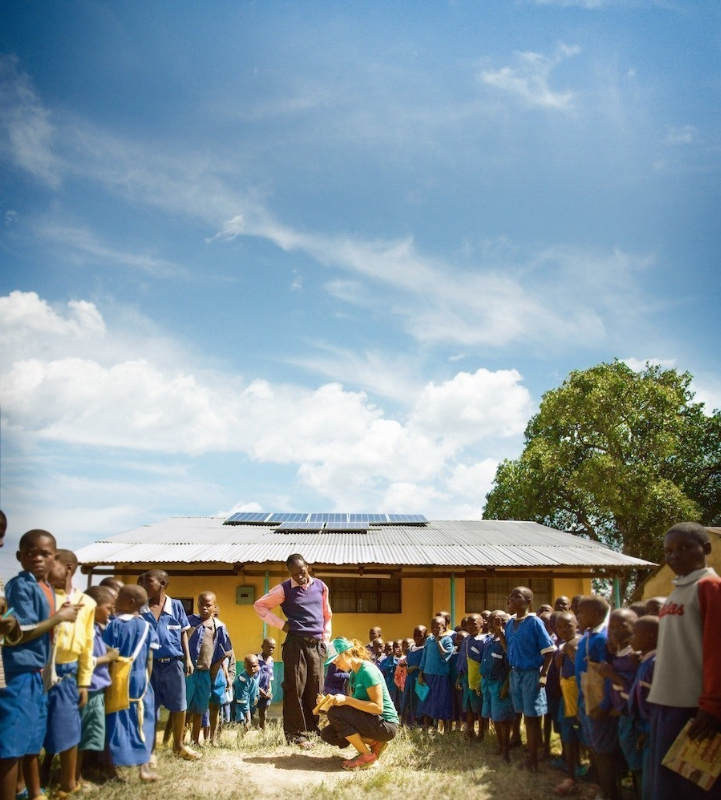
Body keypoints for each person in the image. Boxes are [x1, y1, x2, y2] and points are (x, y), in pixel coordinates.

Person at [0, 530, 79, 800]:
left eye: (45, 553)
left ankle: (32, 792)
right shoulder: (21, 585)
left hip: (39, 674)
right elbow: (18, 633)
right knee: (11, 744)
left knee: (32, 738)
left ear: (54, 558)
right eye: (30, 552)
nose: (37, 557)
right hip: (19, 672)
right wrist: (59, 617)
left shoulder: (45, 588)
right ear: (19, 556)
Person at [646, 522, 721, 800]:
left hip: (694, 708)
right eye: (669, 551)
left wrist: (712, 705)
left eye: (685, 547)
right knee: (665, 786)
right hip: (666, 702)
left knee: (690, 788)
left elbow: (716, 648)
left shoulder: (710, 586)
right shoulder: (676, 592)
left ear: (707, 549)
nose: (675, 555)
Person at [253, 553, 331, 748]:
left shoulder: (321, 587)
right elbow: (260, 606)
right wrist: (282, 625)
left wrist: (325, 640)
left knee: (315, 688)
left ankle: (313, 730)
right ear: (290, 573)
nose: (299, 576)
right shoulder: (284, 589)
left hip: (317, 645)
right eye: (295, 574)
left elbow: (327, 614)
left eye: (302, 571)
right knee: (295, 688)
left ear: (308, 566)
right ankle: (295, 734)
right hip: (295, 644)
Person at [41, 550, 97, 797]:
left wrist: (84, 682)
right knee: (36, 726)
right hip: (39, 671)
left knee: (68, 727)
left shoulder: (87, 603)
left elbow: (87, 645)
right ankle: (33, 778)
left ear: (68, 568)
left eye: (50, 565)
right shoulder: (41, 596)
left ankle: (68, 782)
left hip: (67, 674)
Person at [140, 569, 199, 760]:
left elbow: (183, 632)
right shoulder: (142, 607)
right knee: (149, 706)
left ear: (162, 584)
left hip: (174, 664)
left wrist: (187, 658)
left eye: (148, 582)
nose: (144, 585)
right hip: (149, 665)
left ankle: (178, 745)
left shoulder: (176, 606)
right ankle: (149, 750)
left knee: (179, 705)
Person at [103, 585, 160, 782]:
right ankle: (144, 768)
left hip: (117, 678)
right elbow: (150, 659)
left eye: (119, 597)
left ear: (130, 602)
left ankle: (112, 770)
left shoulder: (114, 625)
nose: (115, 600)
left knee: (116, 720)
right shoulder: (146, 626)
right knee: (143, 721)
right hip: (141, 680)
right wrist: (146, 680)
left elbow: (108, 653)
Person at [319, 637, 399, 770]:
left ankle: (368, 756)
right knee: (328, 734)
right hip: (372, 721)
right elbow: (354, 707)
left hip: (386, 725)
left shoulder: (367, 671)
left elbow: (378, 708)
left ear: (346, 654)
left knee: (336, 714)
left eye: (336, 660)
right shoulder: (353, 675)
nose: (336, 666)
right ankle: (375, 742)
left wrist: (346, 700)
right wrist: (328, 702)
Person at [499, 585, 555, 772]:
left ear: (528, 601)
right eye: (511, 596)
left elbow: (548, 652)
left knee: (532, 718)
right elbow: (510, 651)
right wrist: (500, 637)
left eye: (517, 596)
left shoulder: (535, 623)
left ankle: (534, 761)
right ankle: (529, 755)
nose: (512, 599)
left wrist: (544, 674)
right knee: (521, 715)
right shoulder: (509, 624)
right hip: (515, 675)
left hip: (531, 674)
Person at [575, 594, 621, 800]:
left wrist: (604, 704)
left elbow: (609, 673)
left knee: (603, 750)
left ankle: (611, 793)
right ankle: (600, 785)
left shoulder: (603, 639)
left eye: (581, 612)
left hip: (599, 702)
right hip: (585, 699)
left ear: (595, 615)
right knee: (594, 746)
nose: (577, 615)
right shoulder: (586, 636)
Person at [76, 585, 118, 788]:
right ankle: (75, 777)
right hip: (90, 689)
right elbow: (86, 661)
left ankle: (79, 772)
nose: (111, 613)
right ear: (93, 608)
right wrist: (108, 657)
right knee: (85, 734)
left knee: (89, 734)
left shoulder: (96, 629)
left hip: (96, 689)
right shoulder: (87, 630)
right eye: (108, 608)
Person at [598, 609, 642, 797]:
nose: (614, 631)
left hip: (633, 718)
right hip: (622, 715)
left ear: (635, 629)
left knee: (638, 764)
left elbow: (634, 688)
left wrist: (611, 674)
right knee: (630, 760)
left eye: (621, 627)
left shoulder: (634, 657)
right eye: (612, 627)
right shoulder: (619, 653)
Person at [185, 591, 233, 746]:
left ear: (214, 606)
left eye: (208, 605)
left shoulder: (218, 626)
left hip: (206, 672)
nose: (204, 608)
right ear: (197, 604)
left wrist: (216, 668)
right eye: (201, 604)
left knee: (200, 708)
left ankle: (195, 741)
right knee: (185, 707)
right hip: (189, 671)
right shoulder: (189, 622)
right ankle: (179, 740)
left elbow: (224, 651)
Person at [626, 616, 658, 800]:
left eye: (635, 634)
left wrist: (647, 729)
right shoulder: (645, 661)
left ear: (649, 638)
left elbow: (653, 703)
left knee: (649, 775)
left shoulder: (654, 664)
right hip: (643, 728)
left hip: (649, 730)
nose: (631, 638)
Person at [480, 611, 515, 762]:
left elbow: (510, 664)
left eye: (496, 621)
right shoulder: (488, 639)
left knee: (503, 720)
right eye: (489, 621)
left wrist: (506, 685)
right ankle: (500, 746)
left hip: (500, 683)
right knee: (495, 717)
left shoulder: (506, 639)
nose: (491, 624)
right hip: (488, 683)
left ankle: (506, 752)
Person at [417, 615, 454, 731]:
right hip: (428, 675)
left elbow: (446, 655)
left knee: (442, 701)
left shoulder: (447, 640)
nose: (435, 630)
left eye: (438, 627)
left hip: (440, 676)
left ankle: (447, 730)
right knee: (427, 702)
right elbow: (424, 657)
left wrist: (439, 643)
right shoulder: (429, 640)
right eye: (433, 627)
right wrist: (420, 673)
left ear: (444, 628)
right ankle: (426, 727)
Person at [401, 625, 426, 726]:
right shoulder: (411, 648)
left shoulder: (425, 649)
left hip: (419, 678)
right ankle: (407, 722)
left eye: (420, 635)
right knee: (407, 699)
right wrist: (406, 665)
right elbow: (410, 661)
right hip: (410, 678)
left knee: (417, 700)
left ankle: (418, 722)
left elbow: (424, 663)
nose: (417, 637)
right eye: (415, 635)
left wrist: (415, 667)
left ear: (424, 637)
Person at [233, 654, 260, 727]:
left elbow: (256, 687)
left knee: (247, 725)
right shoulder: (242, 679)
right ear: (245, 667)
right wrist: (248, 718)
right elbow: (243, 699)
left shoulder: (256, 675)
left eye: (254, 666)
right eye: (249, 666)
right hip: (240, 706)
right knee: (243, 723)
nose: (252, 669)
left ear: (258, 666)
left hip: (250, 704)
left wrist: (257, 696)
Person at [256, 637, 276, 730]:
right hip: (254, 690)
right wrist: (259, 690)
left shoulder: (271, 661)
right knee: (249, 714)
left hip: (265, 692)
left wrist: (269, 691)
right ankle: (241, 736)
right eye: (268, 647)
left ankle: (263, 733)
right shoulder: (255, 659)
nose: (271, 649)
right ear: (262, 647)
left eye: (273, 647)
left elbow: (270, 678)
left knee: (263, 713)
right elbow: (251, 678)